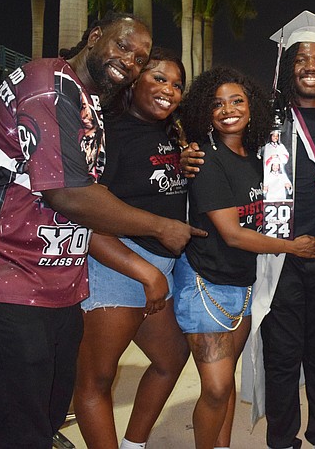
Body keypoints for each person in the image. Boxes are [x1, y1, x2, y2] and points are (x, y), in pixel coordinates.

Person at [0, 12, 206, 449]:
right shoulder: (46, 83)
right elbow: (69, 195)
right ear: (95, 37)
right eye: (122, 47)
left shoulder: (89, 101)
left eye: (139, 57)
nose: (129, 61)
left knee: (50, 406)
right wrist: (160, 228)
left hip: (53, 278)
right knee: (19, 420)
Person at [183, 11, 315, 449]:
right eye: (300, 57)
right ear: (286, 67)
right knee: (280, 356)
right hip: (277, 258)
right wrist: (190, 154)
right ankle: (282, 440)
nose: (310, 66)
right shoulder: (266, 125)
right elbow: (228, 153)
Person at [74, 47, 192, 449]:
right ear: (134, 80)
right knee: (97, 379)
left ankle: (134, 444)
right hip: (117, 266)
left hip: (158, 270)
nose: (169, 90)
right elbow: (84, 216)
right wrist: (146, 273)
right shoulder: (109, 131)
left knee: (171, 358)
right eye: (159, 78)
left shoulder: (169, 132)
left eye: (177, 84)